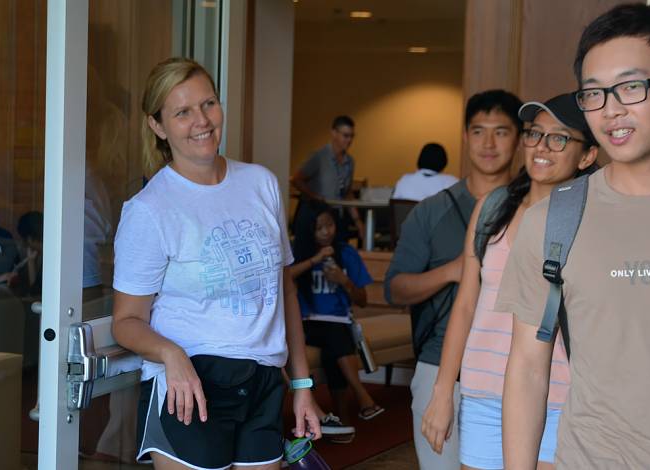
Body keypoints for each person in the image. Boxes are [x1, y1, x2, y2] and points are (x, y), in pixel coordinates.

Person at [498, 5, 650, 469]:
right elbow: (529, 368)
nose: (611, 110)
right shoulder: (551, 221)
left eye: (631, 87)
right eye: (593, 94)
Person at [111, 57, 320, 470]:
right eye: (182, 112)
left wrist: (302, 384)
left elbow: (285, 291)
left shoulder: (260, 183)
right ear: (158, 126)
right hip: (188, 388)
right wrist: (171, 354)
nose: (201, 121)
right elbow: (127, 320)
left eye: (208, 104)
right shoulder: (150, 210)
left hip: (262, 383)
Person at [421, 94, 599, 470]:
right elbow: (466, 303)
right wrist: (443, 391)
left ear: (587, 156)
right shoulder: (492, 208)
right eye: (535, 134)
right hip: (483, 391)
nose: (542, 147)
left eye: (559, 138)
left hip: (558, 395)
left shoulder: (592, 220)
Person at [385, 89, 522, 469]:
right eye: (478, 131)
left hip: (515, 370)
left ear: (520, 136)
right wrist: (453, 271)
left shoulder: (533, 208)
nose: (489, 143)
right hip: (439, 367)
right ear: (465, 136)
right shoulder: (432, 212)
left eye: (501, 131)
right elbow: (395, 289)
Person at [290, 202, 383, 440]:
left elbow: (362, 300)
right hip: (305, 324)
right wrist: (315, 260)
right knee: (335, 338)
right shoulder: (295, 252)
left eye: (329, 225)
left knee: (334, 346)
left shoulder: (345, 253)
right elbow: (283, 277)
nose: (325, 232)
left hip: (338, 324)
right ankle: (361, 398)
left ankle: (341, 421)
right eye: (318, 227)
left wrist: (344, 280)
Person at [291, 115, 365, 241]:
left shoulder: (349, 162)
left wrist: (358, 222)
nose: (349, 140)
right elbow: (296, 179)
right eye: (345, 136)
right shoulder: (319, 157)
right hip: (316, 216)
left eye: (352, 136)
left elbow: (347, 193)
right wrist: (314, 196)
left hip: (337, 216)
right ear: (334, 133)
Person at [392, 143, 459, 201]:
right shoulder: (452, 182)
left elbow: (394, 204)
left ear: (420, 159)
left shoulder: (404, 180)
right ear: (443, 162)